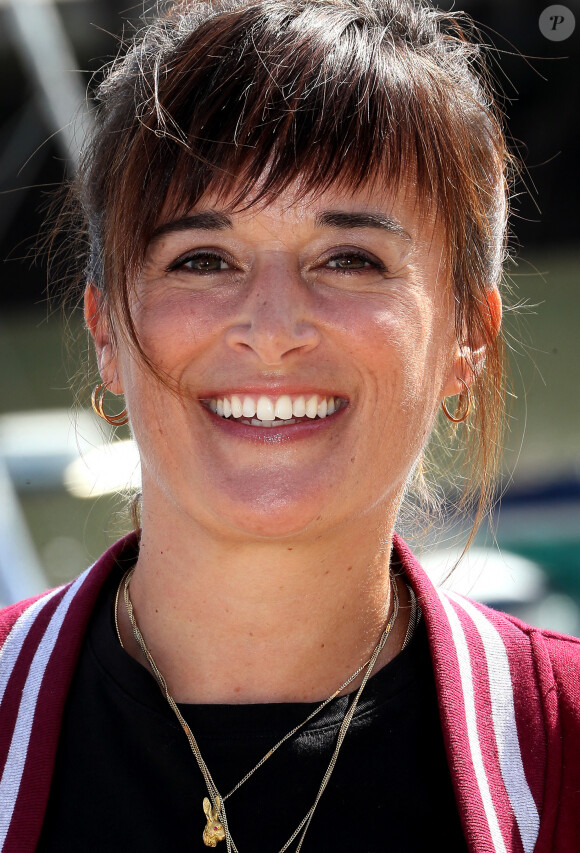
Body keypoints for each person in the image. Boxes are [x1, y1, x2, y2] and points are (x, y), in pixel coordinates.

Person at [1, 0, 579, 850]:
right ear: (104, 334)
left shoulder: (561, 742)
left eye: (351, 259)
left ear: (469, 337)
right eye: (202, 259)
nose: (271, 328)